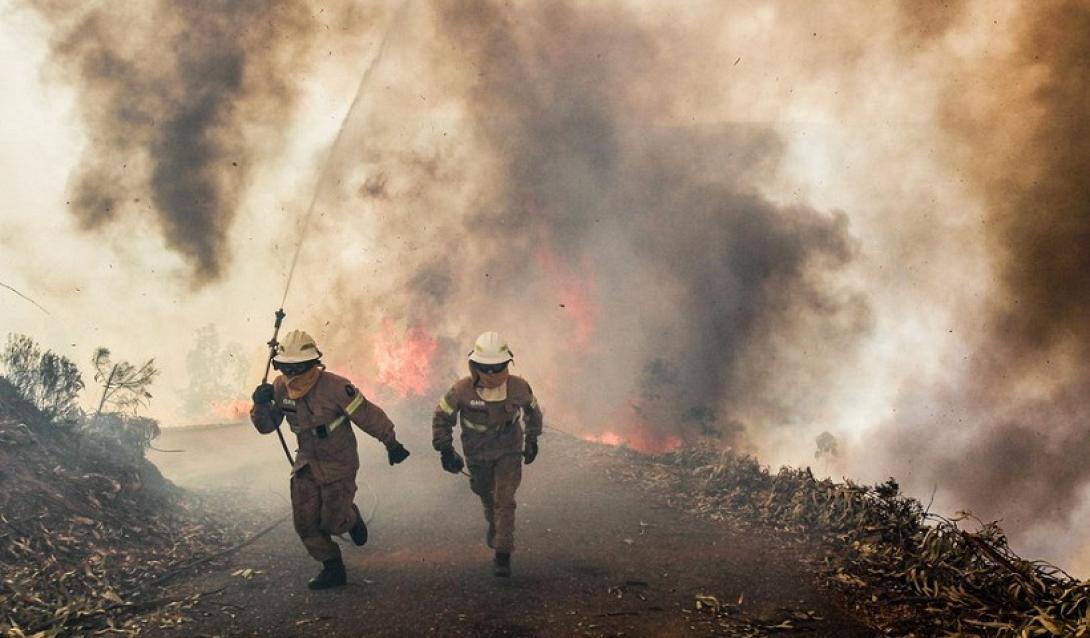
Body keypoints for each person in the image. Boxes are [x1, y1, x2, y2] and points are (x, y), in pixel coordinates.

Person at [250, 329, 410, 589]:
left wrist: (391, 442)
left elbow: (367, 415)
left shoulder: (336, 387)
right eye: (286, 368)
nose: (292, 375)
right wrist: (260, 405)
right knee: (305, 521)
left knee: (333, 521)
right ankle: (332, 568)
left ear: (313, 364)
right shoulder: (279, 388)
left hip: (339, 461)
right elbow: (267, 426)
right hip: (306, 462)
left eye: (298, 368)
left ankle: (352, 518)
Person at [432, 331, 543, 577]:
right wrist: (445, 449)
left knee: (504, 500)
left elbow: (534, 412)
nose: (492, 374)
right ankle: (494, 525)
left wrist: (533, 439)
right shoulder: (461, 390)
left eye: (498, 367)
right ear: (475, 366)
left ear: (507, 363)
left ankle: (503, 554)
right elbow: (442, 417)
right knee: (486, 494)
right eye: (487, 368)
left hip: (509, 450)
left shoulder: (519, 387)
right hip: (477, 453)